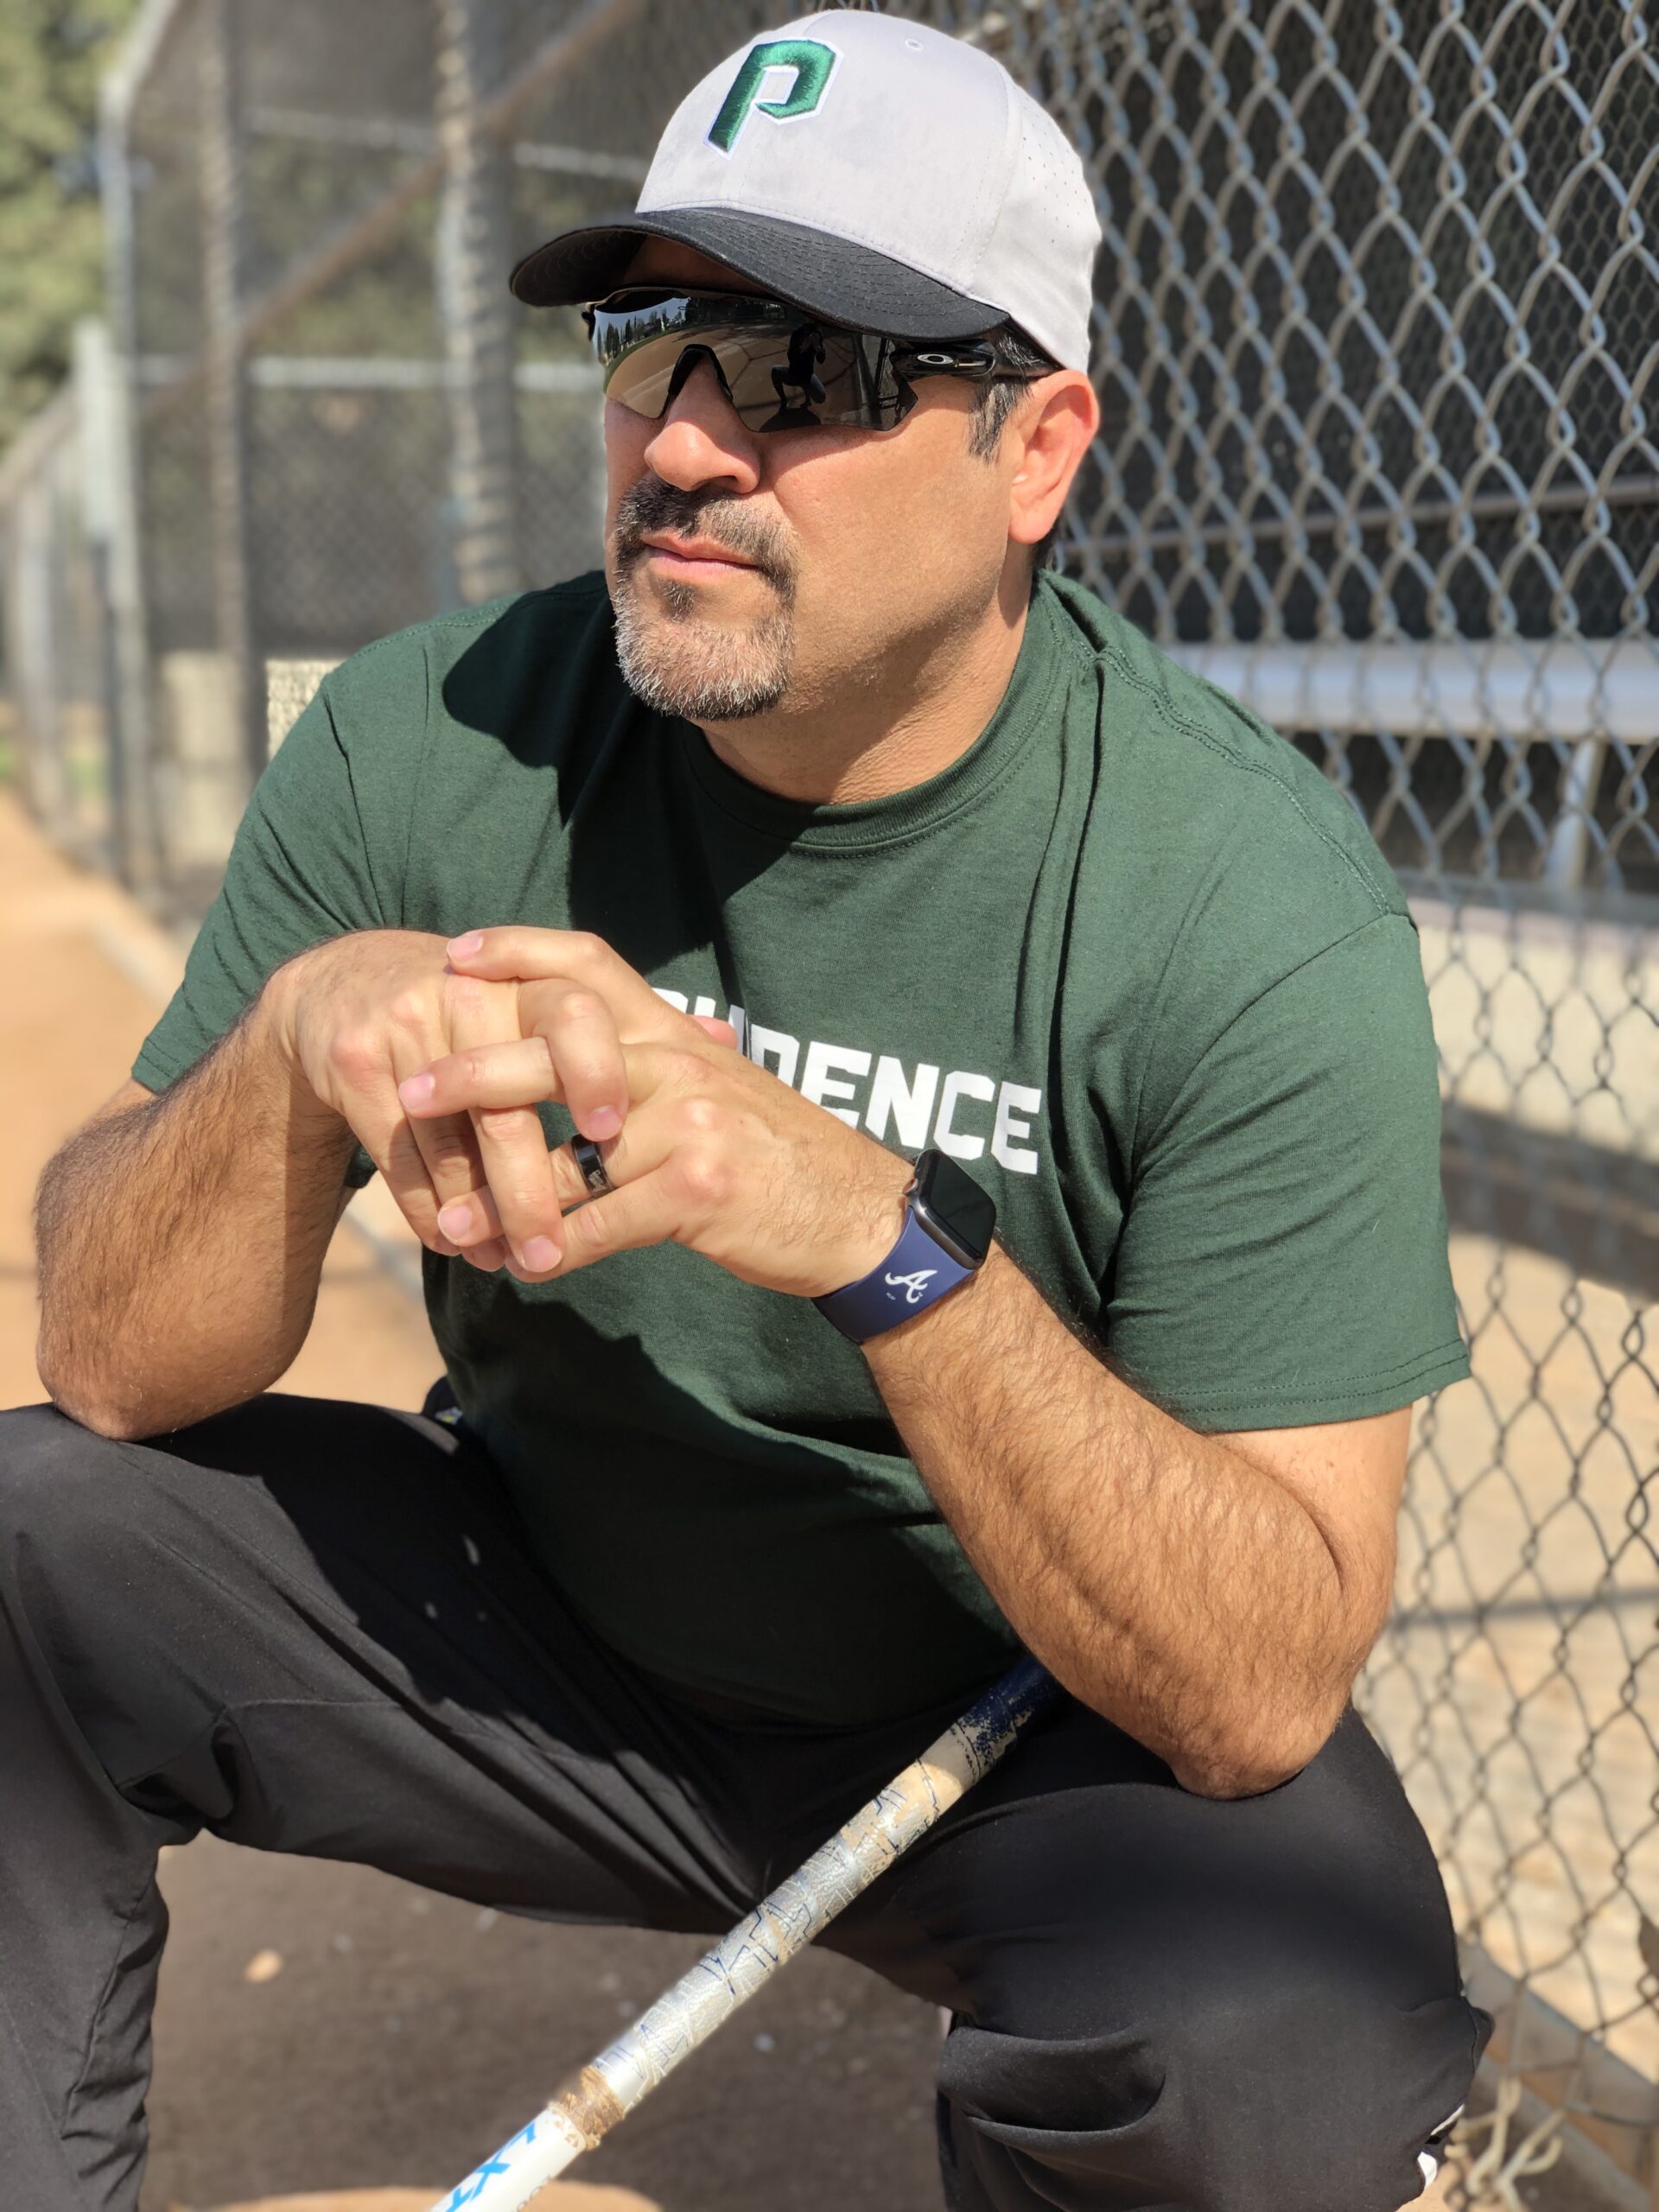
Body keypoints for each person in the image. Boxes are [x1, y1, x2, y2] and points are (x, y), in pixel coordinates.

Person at [3, 13, 1489, 2209]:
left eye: (804, 368)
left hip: (1012, 1721)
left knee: (1282, 2044)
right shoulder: (437, 736)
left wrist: (883, 1238)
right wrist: (299, 1038)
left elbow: (1258, 1677)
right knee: (28, 1536)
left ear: (1037, 446)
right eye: (651, 342)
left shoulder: (1236, 894)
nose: (686, 440)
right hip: (547, 1608)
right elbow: (116, 1360)